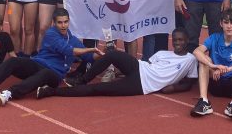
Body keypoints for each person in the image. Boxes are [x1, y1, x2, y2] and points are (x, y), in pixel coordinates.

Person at [0, 8, 103, 105]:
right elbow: (68, 50)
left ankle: (10, 93)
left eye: (66, 21)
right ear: (54, 23)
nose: (63, 25)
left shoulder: (73, 39)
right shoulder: (51, 34)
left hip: (54, 75)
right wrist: (90, 48)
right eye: (60, 22)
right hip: (38, 64)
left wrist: (103, 53)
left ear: (69, 21)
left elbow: (90, 58)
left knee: (46, 73)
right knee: (14, 61)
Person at [37, 28, 198, 98]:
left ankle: (52, 92)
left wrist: (174, 88)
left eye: (180, 40)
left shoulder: (190, 59)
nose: (177, 43)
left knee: (97, 90)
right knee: (112, 53)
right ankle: (82, 78)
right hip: (139, 67)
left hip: (142, 85)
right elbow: (146, 63)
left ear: (187, 41)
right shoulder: (163, 53)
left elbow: (189, 83)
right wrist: (121, 70)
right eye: (175, 39)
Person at [190, 9, 232, 122]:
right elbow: (197, 51)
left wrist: (228, 69)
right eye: (226, 22)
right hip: (215, 81)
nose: (229, 26)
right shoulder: (214, 38)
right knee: (204, 60)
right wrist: (213, 66)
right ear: (221, 24)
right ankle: (204, 102)